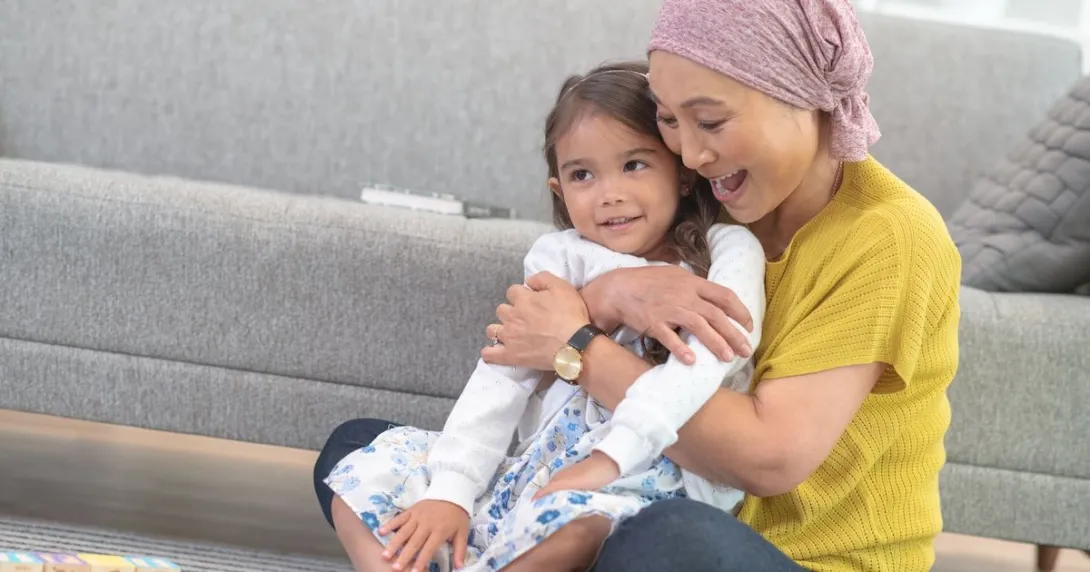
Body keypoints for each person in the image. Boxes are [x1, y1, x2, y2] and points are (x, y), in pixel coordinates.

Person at [316, 0, 962, 569]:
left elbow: (770, 458)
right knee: (358, 447)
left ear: (802, 94)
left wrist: (577, 348)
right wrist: (607, 297)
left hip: (775, 554)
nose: (690, 155)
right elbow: (547, 322)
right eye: (670, 123)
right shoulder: (720, 201)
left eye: (711, 122)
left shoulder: (887, 235)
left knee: (662, 538)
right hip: (631, 496)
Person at [318, 61, 766, 572]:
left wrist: (609, 459)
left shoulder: (726, 251)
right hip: (538, 470)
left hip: (646, 479)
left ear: (682, 173)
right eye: (582, 175)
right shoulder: (559, 258)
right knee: (365, 461)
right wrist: (451, 491)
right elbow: (503, 375)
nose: (609, 193)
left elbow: (705, 367)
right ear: (560, 191)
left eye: (634, 165)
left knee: (581, 525)